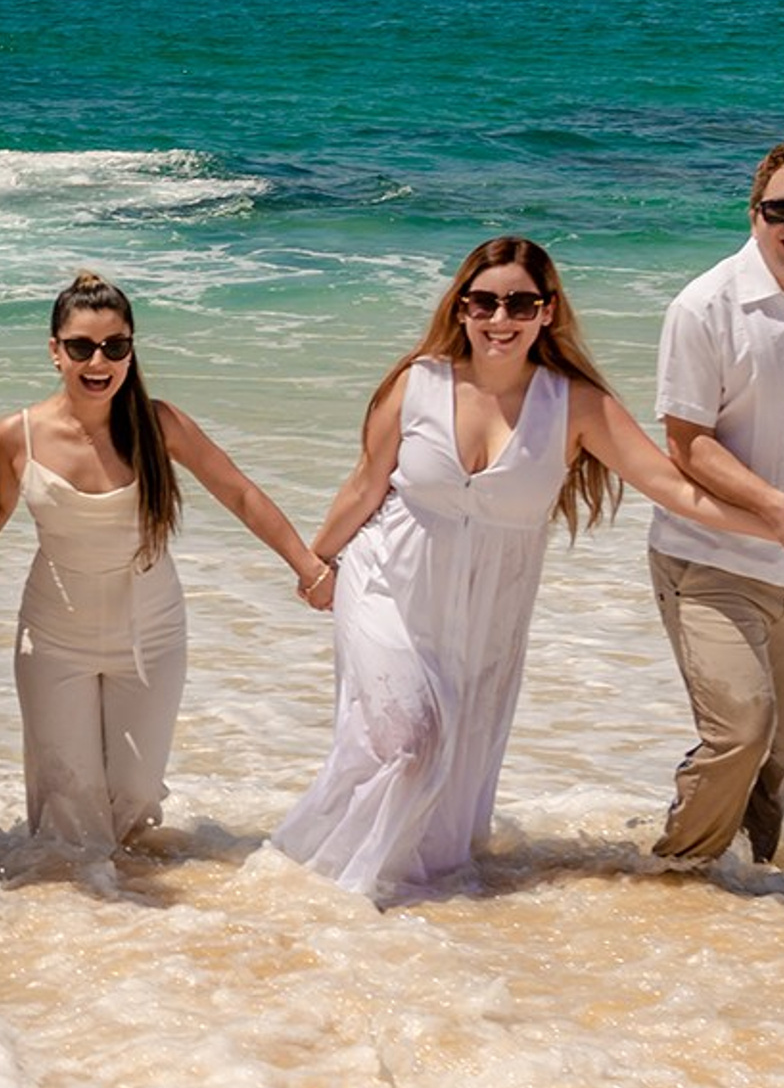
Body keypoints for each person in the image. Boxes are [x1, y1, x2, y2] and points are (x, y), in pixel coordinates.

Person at [271, 237, 784, 902]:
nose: (499, 318)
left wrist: (772, 523)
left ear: (547, 313)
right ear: (460, 308)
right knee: (407, 740)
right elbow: (365, 485)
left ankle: (387, 889)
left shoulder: (573, 403)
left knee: (448, 764)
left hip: (485, 611)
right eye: (483, 302)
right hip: (386, 584)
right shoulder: (416, 382)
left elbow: (670, 486)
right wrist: (316, 563)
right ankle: (337, 888)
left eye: (520, 303)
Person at [0, 271, 333, 848]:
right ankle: (77, 924)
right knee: (67, 807)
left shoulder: (159, 424)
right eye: (81, 347)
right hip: (53, 637)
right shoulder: (16, 434)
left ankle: (141, 924)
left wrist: (308, 565)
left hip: (151, 632)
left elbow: (240, 493)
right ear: (55, 352)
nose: (98, 361)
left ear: (130, 350)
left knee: (136, 796)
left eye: (115, 346)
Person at [647, 146, 784, 868]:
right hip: (712, 559)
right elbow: (687, 444)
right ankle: (675, 875)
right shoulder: (705, 306)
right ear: (753, 212)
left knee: (780, 755)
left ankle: (752, 896)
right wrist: (776, 509)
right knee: (742, 731)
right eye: (779, 209)